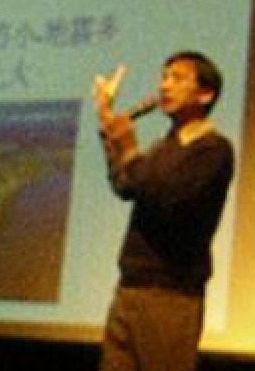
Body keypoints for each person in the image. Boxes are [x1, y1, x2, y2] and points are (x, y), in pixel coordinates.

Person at [92, 50, 235, 371]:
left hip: (171, 294)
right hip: (130, 287)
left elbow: (168, 198)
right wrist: (106, 121)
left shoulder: (213, 150)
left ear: (205, 94)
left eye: (177, 78)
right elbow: (126, 186)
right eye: (163, 77)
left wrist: (130, 148)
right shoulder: (163, 147)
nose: (164, 85)